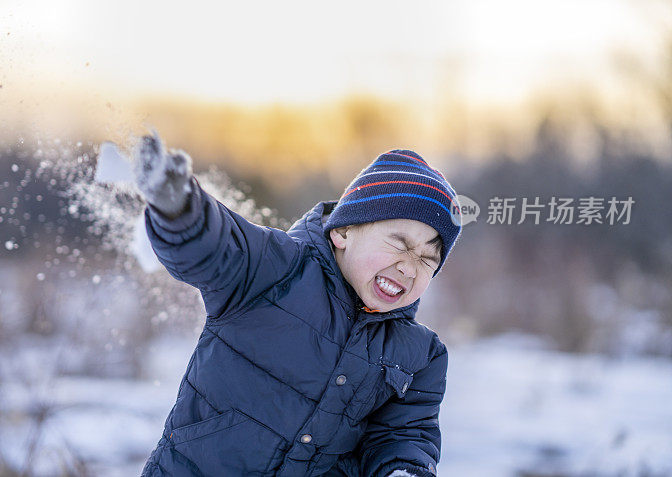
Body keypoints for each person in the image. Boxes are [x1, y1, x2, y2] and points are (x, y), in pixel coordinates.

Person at [135, 130, 462, 477]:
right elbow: (217, 247)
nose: (409, 267)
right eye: (399, 243)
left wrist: (403, 470)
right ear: (343, 232)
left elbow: (402, 435)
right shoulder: (276, 269)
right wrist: (181, 210)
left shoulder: (419, 354)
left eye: (428, 259)